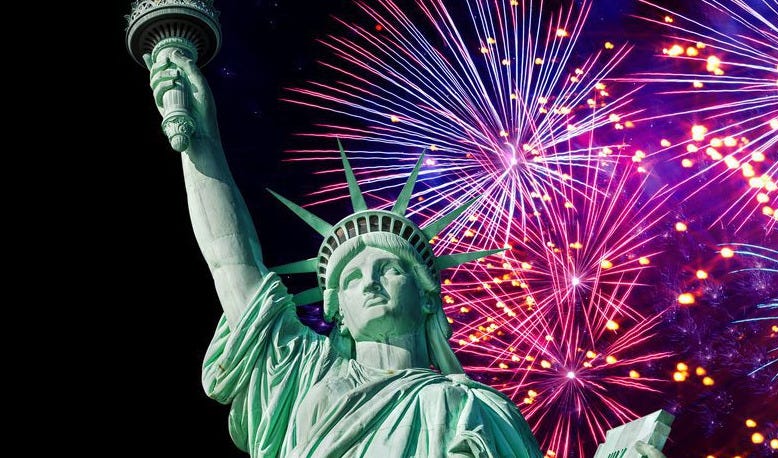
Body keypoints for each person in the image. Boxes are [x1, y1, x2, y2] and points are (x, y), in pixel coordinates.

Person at [144, 46, 545, 457]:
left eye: (388, 269)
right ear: (337, 311)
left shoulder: (477, 412)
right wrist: (203, 137)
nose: (369, 282)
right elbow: (230, 261)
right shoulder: (303, 376)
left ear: (427, 295)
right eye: (351, 279)